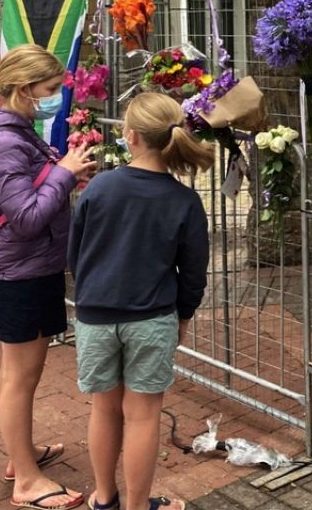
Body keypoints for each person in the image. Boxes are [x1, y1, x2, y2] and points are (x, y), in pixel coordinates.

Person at [0, 44, 96, 510]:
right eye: (51, 88)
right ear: (24, 89)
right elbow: (27, 218)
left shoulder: (15, 131)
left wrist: (63, 174)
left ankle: (22, 455)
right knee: (20, 376)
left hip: (25, 267)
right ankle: (27, 482)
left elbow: (29, 195)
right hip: (18, 272)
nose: (57, 96)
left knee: (17, 372)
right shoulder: (3, 142)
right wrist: (64, 174)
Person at [69, 92, 213, 510]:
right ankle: (136, 506)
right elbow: (194, 271)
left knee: (103, 409)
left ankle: (104, 497)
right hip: (152, 318)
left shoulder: (100, 186)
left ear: (130, 136)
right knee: (143, 415)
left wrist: (92, 290)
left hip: (96, 315)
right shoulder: (185, 200)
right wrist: (183, 315)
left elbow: (76, 254)